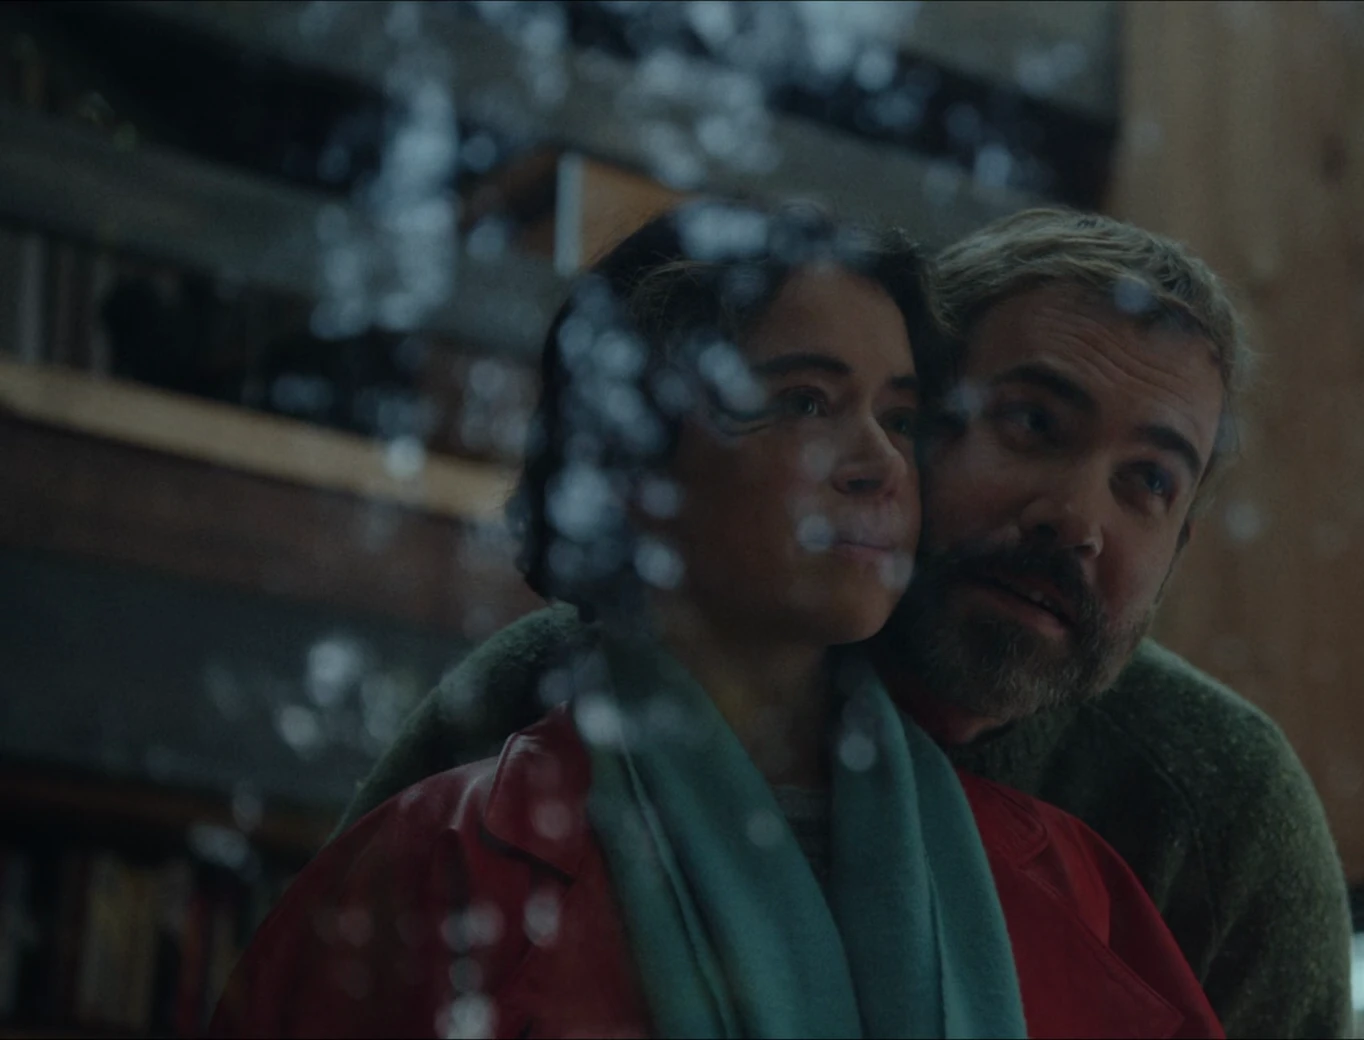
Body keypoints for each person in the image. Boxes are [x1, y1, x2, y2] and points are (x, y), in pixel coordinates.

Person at [209, 201, 1223, 1039]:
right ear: (633, 463)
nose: (879, 462)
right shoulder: (432, 866)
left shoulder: (1077, 887)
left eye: (902, 417)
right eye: (806, 402)